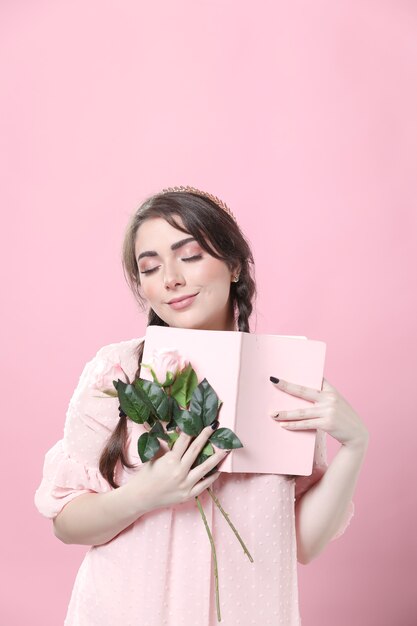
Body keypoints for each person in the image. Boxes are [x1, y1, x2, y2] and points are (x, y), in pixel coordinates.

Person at [34, 186, 369, 625]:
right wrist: (144, 495)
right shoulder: (117, 371)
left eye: (189, 256)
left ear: (233, 265)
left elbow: (301, 543)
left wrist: (356, 447)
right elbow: (66, 523)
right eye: (150, 267)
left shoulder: (284, 373)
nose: (170, 278)